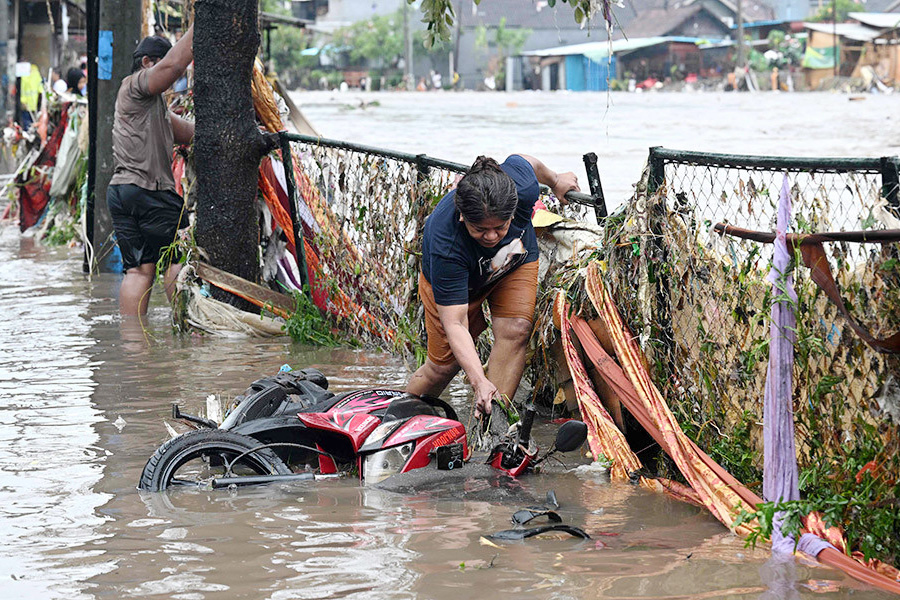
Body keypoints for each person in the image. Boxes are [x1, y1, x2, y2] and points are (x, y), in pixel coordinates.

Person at [406, 155, 579, 417]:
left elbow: (526, 161)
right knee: (443, 367)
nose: (490, 236)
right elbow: (455, 323)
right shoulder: (446, 241)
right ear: (462, 215)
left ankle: (495, 424)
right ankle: (398, 416)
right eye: (479, 229)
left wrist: (556, 180)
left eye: (500, 227)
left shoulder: (522, 187)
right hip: (463, 283)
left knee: (517, 329)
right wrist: (478, 381)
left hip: (513, 260)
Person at [106, 26, 194, 317]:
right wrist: (201, 24)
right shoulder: (134, 84)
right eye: (161, 62)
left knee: (138, 272)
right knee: (175, 259)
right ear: (147, 63)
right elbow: (173, 65)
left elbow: (189, 132)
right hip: (150, 192)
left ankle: (135, 350)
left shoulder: (152, 107)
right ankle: (185, 333)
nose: (175, 79)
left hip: (122, 194)